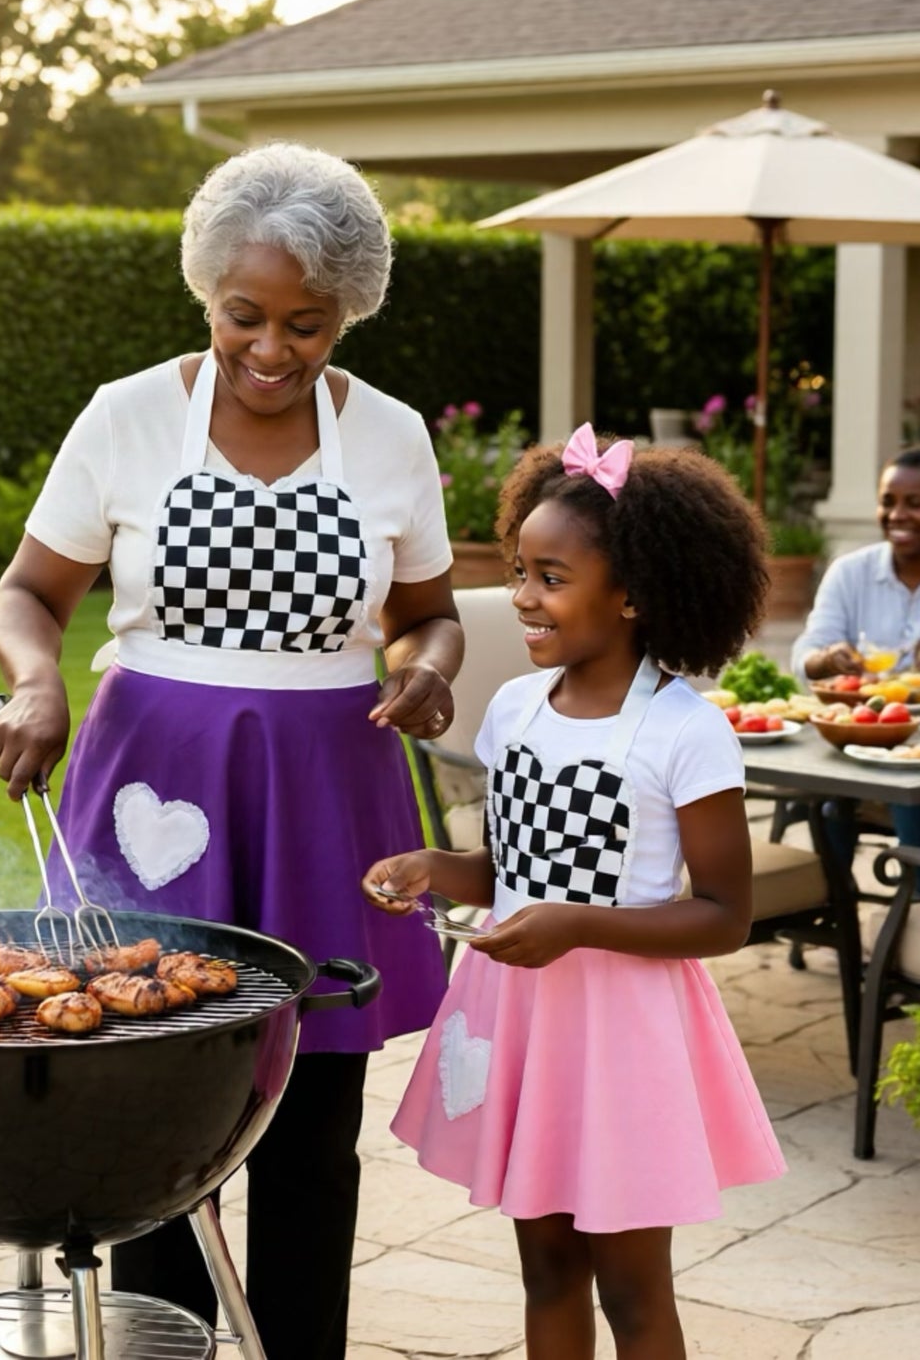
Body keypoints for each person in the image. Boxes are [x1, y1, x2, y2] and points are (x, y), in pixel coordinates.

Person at [0, 142, 462, 1360]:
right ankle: (162, 1346)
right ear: (206, 292)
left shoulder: (393, 438)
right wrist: (37, 684)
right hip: (150, 779)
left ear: (347, 309)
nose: (272, 347)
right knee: (152, 1104)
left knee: (311, 1118)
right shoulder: (128, 414)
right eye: (243, 314)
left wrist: (427, 668)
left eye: (309, 323)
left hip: (325, 795)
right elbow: (30, 593)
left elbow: (430, 611)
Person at [363, 427, 785, 1360]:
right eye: (519, 569)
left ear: (633, 593)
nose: (520, 596)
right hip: (525, 1021)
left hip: (618, 1033)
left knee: (633, 1292)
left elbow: (724, 914)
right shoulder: (516, 708)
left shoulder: (685, 732)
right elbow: (512, 869)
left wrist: (577, 926)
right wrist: (438, 867)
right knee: (545, 1269)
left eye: (550, 577)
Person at [791, 446, 920, 894]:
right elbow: (808, 651)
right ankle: (833, 910)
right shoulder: (849, 573)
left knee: (912, 790)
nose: (897, 515)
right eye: (888, 502)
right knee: (830, 795)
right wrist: (823, 660)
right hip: (866, 738)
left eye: (914, 503)